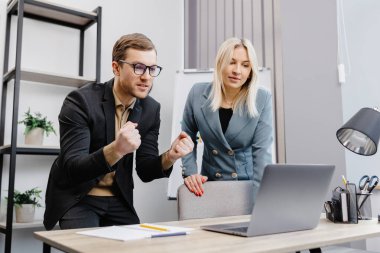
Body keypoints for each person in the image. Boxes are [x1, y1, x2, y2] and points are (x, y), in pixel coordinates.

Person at [43, 33, 193, 230]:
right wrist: (116, 150)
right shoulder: (80, 102)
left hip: (118, 199)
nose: (147, 76)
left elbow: (145, 171)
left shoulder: (150, 109)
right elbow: (73, 168)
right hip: (79, 197)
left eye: (152, 68)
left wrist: (170, 156)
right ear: (116, 68)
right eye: (138, 67)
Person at [181, 37, 273, 198]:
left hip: (247, 186)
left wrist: (262, 202)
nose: (237, 70)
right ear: (220, 63)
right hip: (208, 186)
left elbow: (262, 154)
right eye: (232, 62)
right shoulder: (197, 93)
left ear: (251, 71)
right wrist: (190, 173)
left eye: (245, 65)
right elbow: (186, 136)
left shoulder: (261, 98)